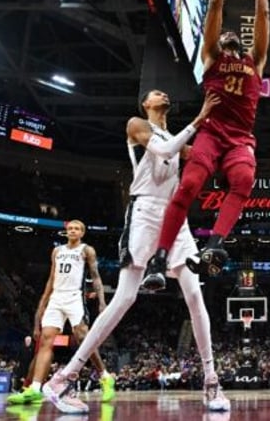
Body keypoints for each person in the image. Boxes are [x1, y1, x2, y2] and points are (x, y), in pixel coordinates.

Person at [43, 90, 229, 414]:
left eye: (165, 91)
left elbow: (205, 158)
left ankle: (211, 379)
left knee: (195, 296)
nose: (163, 93)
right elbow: (163, 149)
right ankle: (63, 378)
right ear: (146, 103)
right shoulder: (137, 125)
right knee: (125, 298)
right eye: (156, 92)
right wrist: (200, 120)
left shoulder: (177, 138)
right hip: (144, 213)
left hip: (175, 217)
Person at [142, 0, 270, 289]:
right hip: (212, 134)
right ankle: (159, 259)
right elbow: (215, 3)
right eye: (225, 31)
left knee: (244, 181)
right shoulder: (211, 57)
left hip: (239, 140)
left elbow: (262, 16)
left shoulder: (255, 61)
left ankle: (214, 244)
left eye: (232, 33)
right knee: (189, 186)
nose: (229, 32)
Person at [7, 220, 115, 405]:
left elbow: (96, 277)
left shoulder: (86, 250)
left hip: (75, 297)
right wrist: (43, 303)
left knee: (83, 338)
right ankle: (34, 389)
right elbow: (51, 279)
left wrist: (102, 302)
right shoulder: (57, 251)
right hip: (56, 298)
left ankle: (105, 377)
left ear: (82, 233)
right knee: (45, 341)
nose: (73, 231)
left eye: (77, 229)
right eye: (70, 228)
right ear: (66, 232)